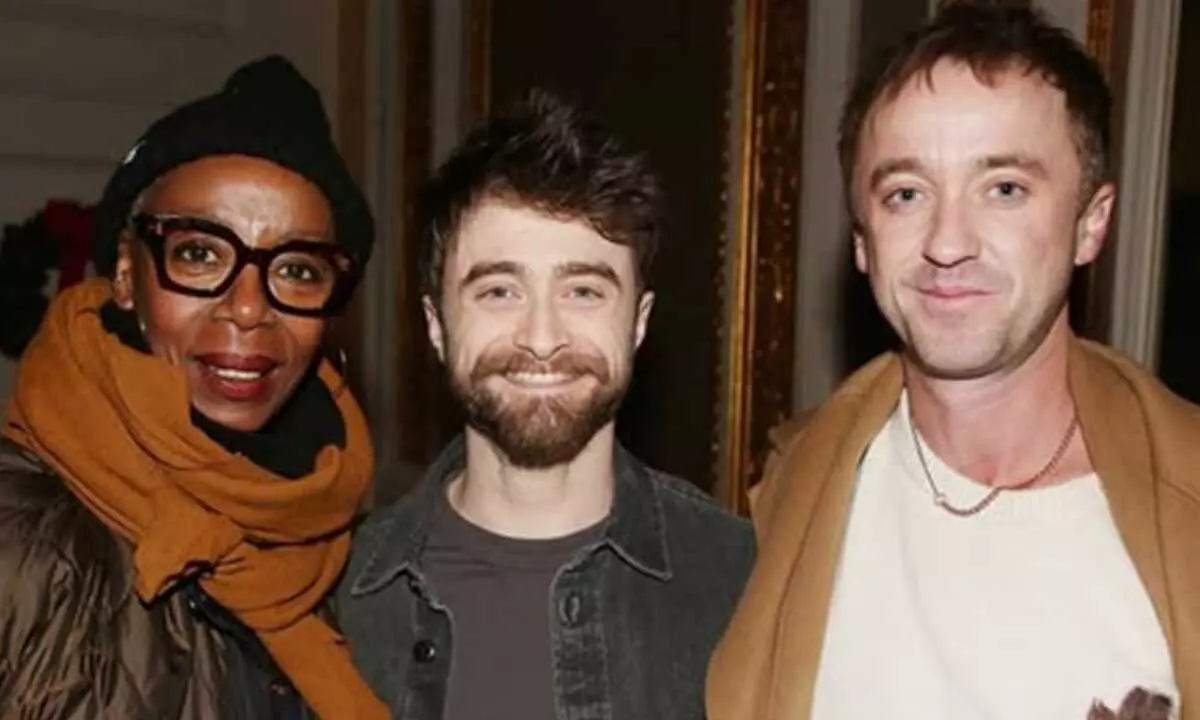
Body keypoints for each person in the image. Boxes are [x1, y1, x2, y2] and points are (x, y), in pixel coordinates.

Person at [707, 2, 1196, 719]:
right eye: (906, 194)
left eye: (1004, 189)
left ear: (1091, 223)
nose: (947, 242)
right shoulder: (791, 493)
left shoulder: (1184, 508)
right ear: (863, 243)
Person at [337, 90, 755, 720]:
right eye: (499, 291)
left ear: (638, 322)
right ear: (436, 325)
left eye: (583, 291)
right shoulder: (335, 597)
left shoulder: (742, 581)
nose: (540, 338)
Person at [0, 56, 389, 719]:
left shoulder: (358, 557)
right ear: (128, 274)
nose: (248, 308)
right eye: (201, 253)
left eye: (297, 269)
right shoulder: (18, 543)